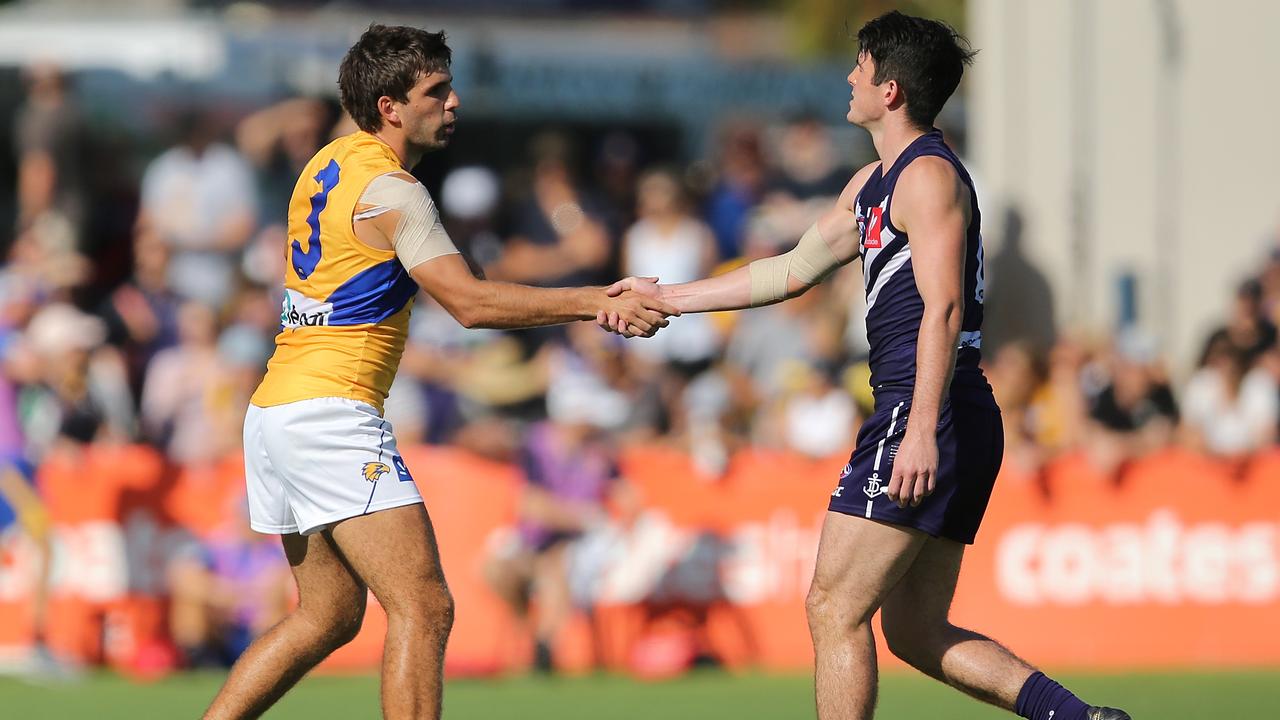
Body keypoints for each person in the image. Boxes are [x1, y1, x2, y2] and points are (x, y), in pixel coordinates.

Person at [601, 12, 1129, 720]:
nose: (849, 77)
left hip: (925, 407)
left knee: (832, 605)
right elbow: (788, 270)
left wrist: (916, 429)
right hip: (939, 410)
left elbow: (943, 310)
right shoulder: (872, 183)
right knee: (915, 631)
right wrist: (667, 296)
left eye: (860, 66)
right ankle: (1078, 718)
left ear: (891, 89)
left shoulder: (928, 178)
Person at [201, 24, 676, 720]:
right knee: (425, 605)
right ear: (391, 107)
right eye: (437, 91)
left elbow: (453, 276)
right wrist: (596, 300)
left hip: (276, 410)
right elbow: (470, 304)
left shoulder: (330, 163)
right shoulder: (395, 192)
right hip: (333, 413)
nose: (454, 103)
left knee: (328, 616)